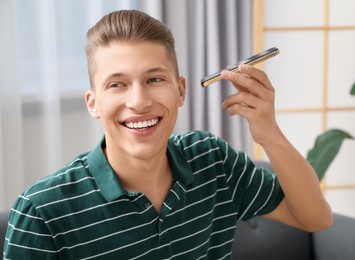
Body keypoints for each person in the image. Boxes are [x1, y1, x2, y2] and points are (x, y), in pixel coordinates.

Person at [3, 9, 332, 259]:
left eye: (154, 80)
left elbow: (315, 219)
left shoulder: (212, 158)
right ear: (94, 103)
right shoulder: (41, 212)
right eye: (117, 84)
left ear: (181, 90)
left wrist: (270, 134)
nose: (139, 101)